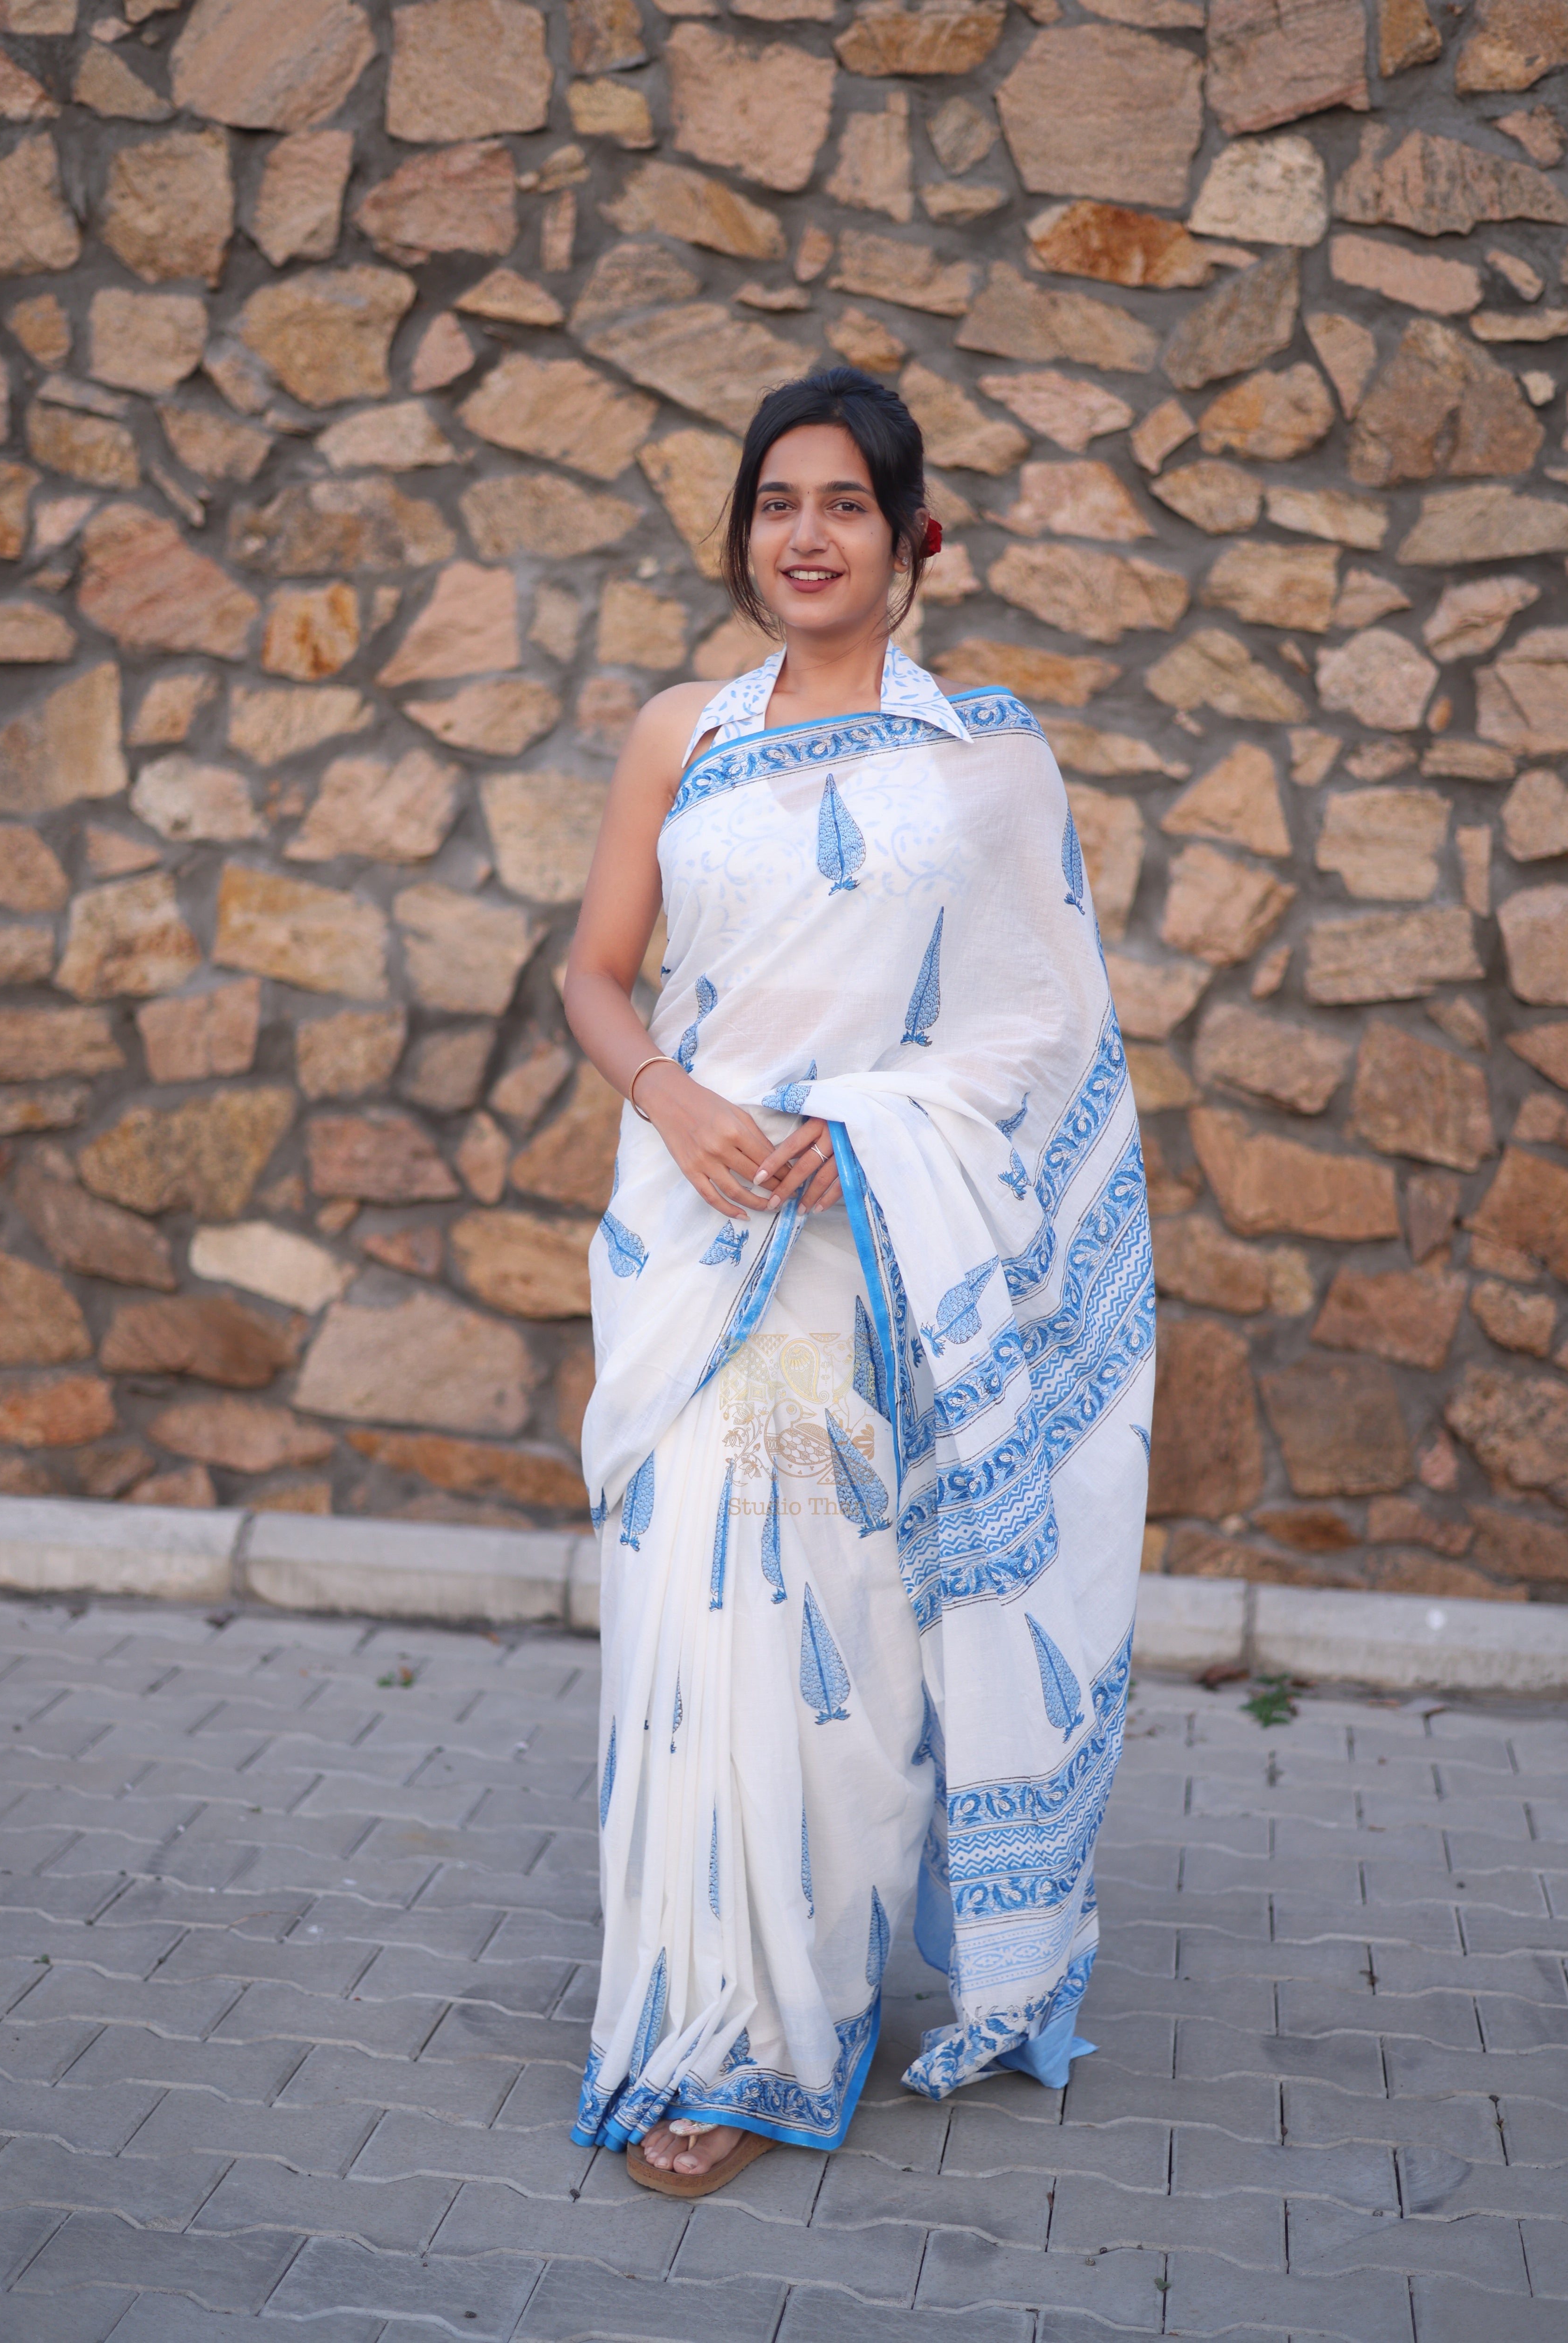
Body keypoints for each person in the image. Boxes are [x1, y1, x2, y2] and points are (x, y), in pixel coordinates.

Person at [562, 367, 1153, 2198]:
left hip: (859, 1258)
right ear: (742, 535)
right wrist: (671, 1095)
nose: (803, 535)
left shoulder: (984, 758)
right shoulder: (681, 731)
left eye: (843, 504)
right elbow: (593, 973)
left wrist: (869, 1126)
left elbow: (1045, 1027)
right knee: (688, 1634)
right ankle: (683, 2014)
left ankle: (770, 2037)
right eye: (775, 503)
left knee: (814, 1643)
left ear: (913, 541)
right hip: (688, 1240)